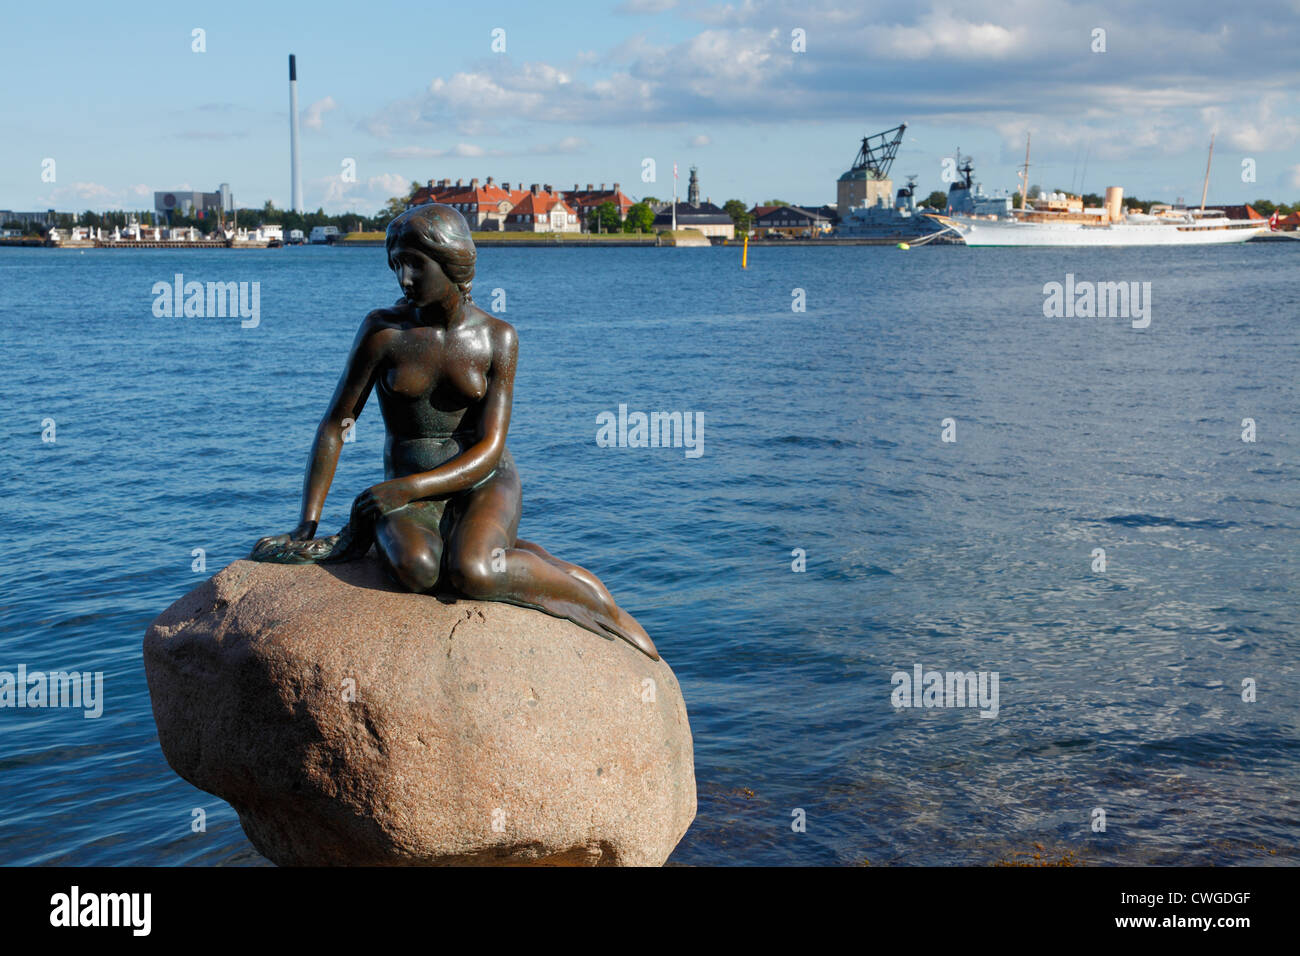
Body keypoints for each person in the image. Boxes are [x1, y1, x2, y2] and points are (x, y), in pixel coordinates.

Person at [253, 203, 657, 660]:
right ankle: (518, 551)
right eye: (396, 265)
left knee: (473, 571)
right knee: (418, 570)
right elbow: (335, 425)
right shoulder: (383, 333)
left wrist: (405, 488)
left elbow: (490, 447)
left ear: (453, 263)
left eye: (415, 265)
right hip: (411, 491)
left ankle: (593, 600)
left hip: (483, 479)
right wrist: (307, 524)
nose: (404, 279)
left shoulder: (497, 338)